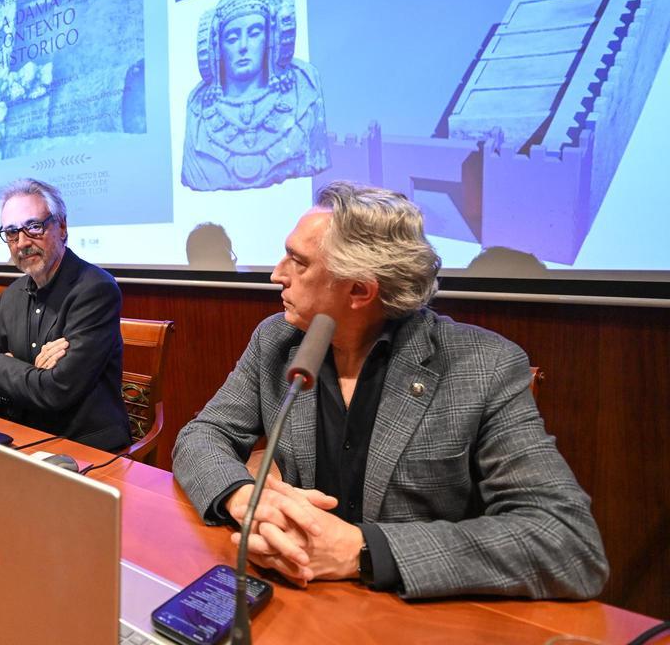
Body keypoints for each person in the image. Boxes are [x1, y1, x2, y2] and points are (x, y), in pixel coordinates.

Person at [172, 182, 608, 599]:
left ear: (360, 290)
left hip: (407, 612)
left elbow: (567, 541)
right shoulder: (277, 340)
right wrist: (245, 498)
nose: (275, 275)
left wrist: (361, 551)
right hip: (292, 595)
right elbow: (201, 436)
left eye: (298, 262)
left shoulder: (483, 366)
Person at [0, 179, 131, 451]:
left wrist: (1, 365)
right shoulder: (10, 296)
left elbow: (58, 392)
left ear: (62, 227)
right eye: (11, 232)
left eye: (34, 226)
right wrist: (31, 371)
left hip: (82, 446)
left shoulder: (96, 289)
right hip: (20, 437)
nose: (21, 243)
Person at [181, 0, 330, 192]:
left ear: (272, 38)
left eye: (254, 33)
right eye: (232, 38)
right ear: (217, 49)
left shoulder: (303, 90)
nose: (243, 46)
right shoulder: (198, 107)